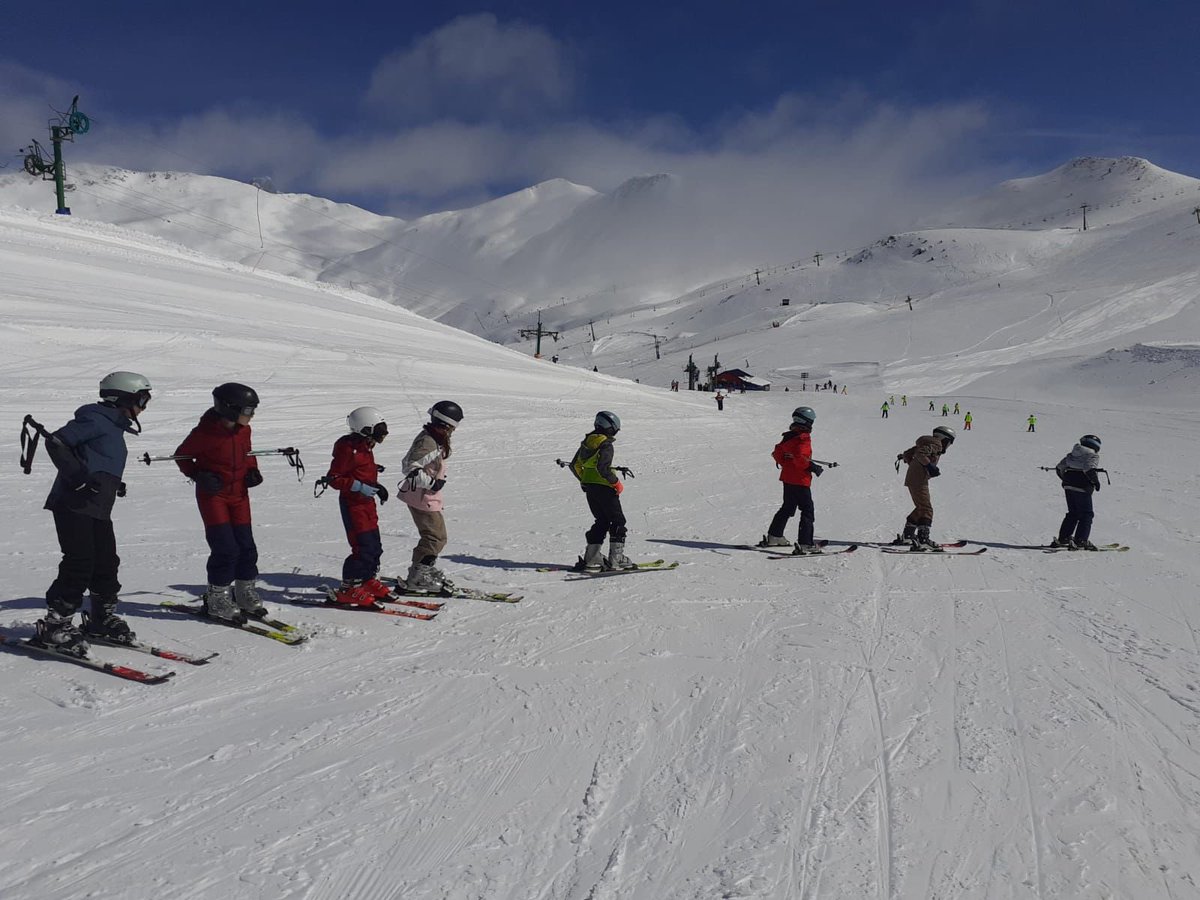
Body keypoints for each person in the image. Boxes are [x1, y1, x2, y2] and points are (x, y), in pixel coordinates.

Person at [33, 372, 153, 655]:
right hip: (74, 503)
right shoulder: (96, 418)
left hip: (97, 505)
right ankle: (56, 626)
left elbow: (97, 458)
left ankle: (101, 619)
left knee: (106, 561)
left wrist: (112, 483)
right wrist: (79, 478)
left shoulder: (112, 425)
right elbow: (57, 442)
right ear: (123, 397)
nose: (145, 406)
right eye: (142, 399)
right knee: (80, 561)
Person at [175, 383, 264, 622]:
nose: (251, 415)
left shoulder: (244, 430)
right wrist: (198, 474)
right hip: (214, 497)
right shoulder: (205, 433)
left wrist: (252, 471)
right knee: (226, 548)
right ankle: (217, 598)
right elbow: (182, 456)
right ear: (230, 409)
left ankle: (244, 591)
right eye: (248, 410)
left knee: (247, 546)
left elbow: (248, 454)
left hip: (239, 495)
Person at [325, 407, 391, 605]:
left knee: (375, 546)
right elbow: (334, 479)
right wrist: (358, 486)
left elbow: (362, 471)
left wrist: (376, 486)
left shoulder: (365, 446)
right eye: (378, 431)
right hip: (353, 505)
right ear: (365, 428)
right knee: (363, 547)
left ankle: (367, 580)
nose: (382, 437)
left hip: (367, 505)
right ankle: (348, 588)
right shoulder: (349, 449)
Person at [398, 400, 463, 591]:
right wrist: (432, 483)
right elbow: (410, 467)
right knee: (435, 537)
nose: (453, 431)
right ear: (446, 424)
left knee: (435, 536)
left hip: (425, 495)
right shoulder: (429, 440)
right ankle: (418, 576)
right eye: (452, 427)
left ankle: (421, 571)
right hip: (422, 497)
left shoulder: (433, 437)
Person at [569, 411, 636, 571]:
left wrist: (585, 480)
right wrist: (616, 483)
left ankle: (592, 558)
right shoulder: (605, 444)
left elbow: (575, 465)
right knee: (618, 521)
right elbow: (603, 468)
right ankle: (616, 558)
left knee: (602, 521)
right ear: (610, 428)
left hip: (590, 488)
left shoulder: (586, 442)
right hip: (605, 487)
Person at [756, 406, 823, 554]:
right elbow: (801, 457)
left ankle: (775, 536)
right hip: (800, 480)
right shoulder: (803, 437)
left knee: (788, 507)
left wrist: (787, 463)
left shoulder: (789, 436)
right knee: (807, 510)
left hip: (788, 478)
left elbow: (777, 453)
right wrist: (812, 466)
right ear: (808, 422)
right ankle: (806, 543)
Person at [896, 425, 956, 550]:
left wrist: (914, 467)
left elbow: (908, 454)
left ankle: (908, 535)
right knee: (926, 509)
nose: (947, 446)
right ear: (944, 438)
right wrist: (929, 466)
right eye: (949, 443)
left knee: (920, 507)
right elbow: (920, 454)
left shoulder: (927, 442)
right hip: (919, 480)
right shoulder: (936, 444)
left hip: (915, 479)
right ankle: (923, 540)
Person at [1051, 435, 1103, 550]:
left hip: (1068, 486)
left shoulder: (1072, 454)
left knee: (1073, 513)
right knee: (1086, 514)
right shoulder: (1093, 455)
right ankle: (1081, 540)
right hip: (1082, 486)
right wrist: (1095, 482)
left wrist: (1066, 480)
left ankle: (1063, 538)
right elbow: (1089, 469)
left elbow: (1059, 468)